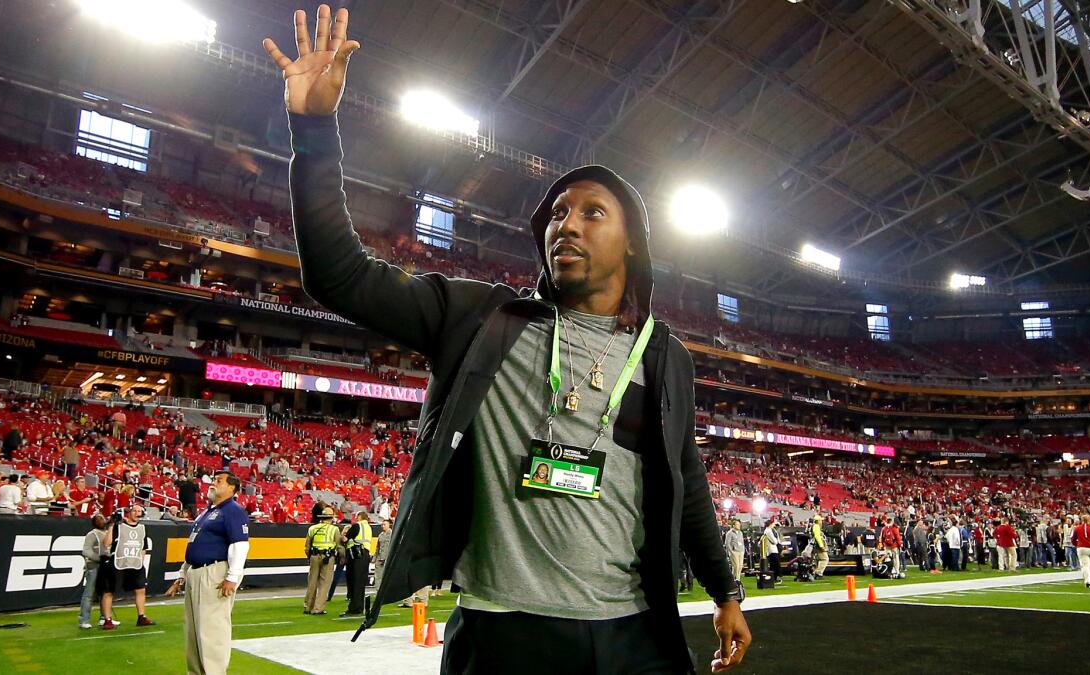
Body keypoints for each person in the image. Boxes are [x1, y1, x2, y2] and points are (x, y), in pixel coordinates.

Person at [263, 8, 750, 671]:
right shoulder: (482, 318)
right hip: (501, 634)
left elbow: (686, 478)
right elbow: (340, 276)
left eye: (591, 212)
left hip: (634, 634)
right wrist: (314, 130)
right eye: (556, 213)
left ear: (632, 242)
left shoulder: (663, 355)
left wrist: (725, 590)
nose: (566, 224)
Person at [165, 470, 250, 675]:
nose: (213, 483)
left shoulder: (233, 510)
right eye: (213, 480)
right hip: (196, 572)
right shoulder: (208, 512)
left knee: (212, 631)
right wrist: (182, 574)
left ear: (232, 488)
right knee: (193, 631)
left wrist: (232, 577)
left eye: (219, 481)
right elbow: (194, 544)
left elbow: (240, 545)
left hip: (213, 573)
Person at [98, 504, 155, 629]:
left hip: (135, 563)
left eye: (139, 511)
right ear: (129, 512)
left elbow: (143, 547)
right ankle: (107, 619)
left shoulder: (142, 528)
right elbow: (106, 543)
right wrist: (111, 526)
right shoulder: (119, 526)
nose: (137, 513)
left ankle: (141, 616)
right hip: (118, 561)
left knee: (140, 590)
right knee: (108, 591)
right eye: (134, 510)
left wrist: (140, 561)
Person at [303, 507, 339, 615]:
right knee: (324, 583)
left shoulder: (312, 528)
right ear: (331, 518)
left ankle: (308, 606)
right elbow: (339, 545)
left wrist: (310, 557)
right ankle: (318, 608)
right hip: (327, 558)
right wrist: (342, 557)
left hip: (314, 556)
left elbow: (307, 546)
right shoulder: (334, 529)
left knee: (312, 582)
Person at [340, 511, 372, 618]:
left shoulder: (357, 526)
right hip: (365, 555)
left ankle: (354, 609)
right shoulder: (368, 527)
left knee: (354, 582)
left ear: (360, 517)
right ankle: (359, 607)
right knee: (360, 583)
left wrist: (344, 532)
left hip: (357, 556)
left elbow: (345, 539)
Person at [79, 514, 108, 629]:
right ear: (94, 522)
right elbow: (86, 551)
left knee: (105, 593)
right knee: (89, 594)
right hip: (93, 566)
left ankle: (104, 618)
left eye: (103, 518)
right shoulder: (92, 534)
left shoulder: (107, 533)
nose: (102, 520)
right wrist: (99, 558)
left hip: (105, 567)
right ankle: (84, 620)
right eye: (99, 519)